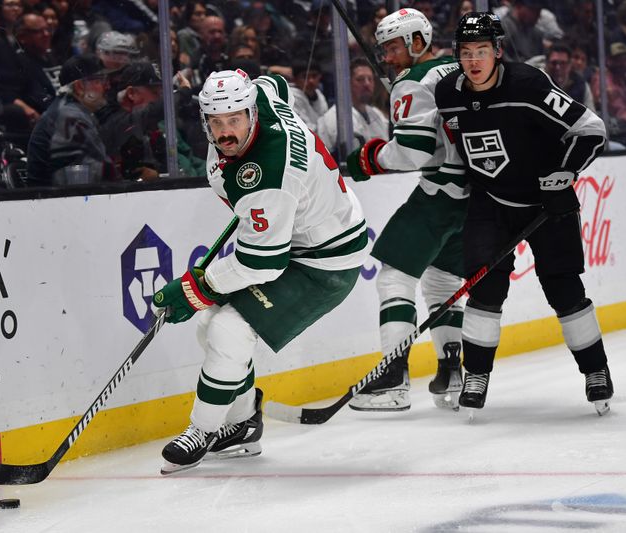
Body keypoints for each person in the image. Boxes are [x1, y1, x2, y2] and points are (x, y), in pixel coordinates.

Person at [153, 69, 370, 474]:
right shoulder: (261, 98)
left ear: (251, 113)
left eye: (234, 119)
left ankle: (201, 430)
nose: (225, 132)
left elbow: (261, 262)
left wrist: (195, 289)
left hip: (323, 261)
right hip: (302, 233)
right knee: (210, 328)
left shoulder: (268, 174)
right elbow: (274, 82)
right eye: (216, 122)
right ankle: (242, 424)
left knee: (227, 329)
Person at [434, 12, 613, 415]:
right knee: (484, 288)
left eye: (482, 51)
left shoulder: (529, 85)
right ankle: (476, 374)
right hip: (490, 201)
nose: (474, 60)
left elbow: (591, 128)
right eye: (466, 53)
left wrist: (561, 175)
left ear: (498, 51)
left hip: (547, 204)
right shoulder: (448, 92)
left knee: (564, 290)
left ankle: (596, 370)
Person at [345, 8, 467, 412]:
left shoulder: (413, 81)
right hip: (476, 195)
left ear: (418, 42)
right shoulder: (456, 68)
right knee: (443, 281)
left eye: (394, 47)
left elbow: (412, 153)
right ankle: (453, 370)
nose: (387, 57)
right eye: (383, 50)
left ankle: (392, 378)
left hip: (439, 194)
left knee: (394, 278)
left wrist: (370, 157)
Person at [26, 54, 112, 185]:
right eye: (100, 80)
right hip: (52, 201)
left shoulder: (72, 111)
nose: (107, 86)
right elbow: (78, 181)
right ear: (79, 87)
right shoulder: (70, 117)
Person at [316, 57, 389, 154]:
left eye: (370, 79)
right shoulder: (333, 118)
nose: (367, 84)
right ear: (347, 83)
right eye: (360, 79)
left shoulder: (377, 114)